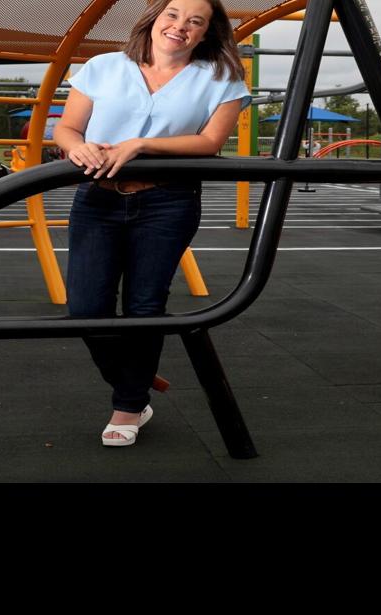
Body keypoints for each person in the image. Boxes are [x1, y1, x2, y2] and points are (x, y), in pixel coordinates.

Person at [52, 0, 248, 447]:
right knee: (85, 309)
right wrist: (74, 147)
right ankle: (136, 381)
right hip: (98, 201)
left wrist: (142, 144)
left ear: (206, 34)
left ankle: (128, 405)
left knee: (144, 306)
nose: (181, 26)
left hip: (167, 202)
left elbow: (210, 142)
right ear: (155, 18)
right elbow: (67, 130)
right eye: (174, 14)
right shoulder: (103, 66)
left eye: (195, 21)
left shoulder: (222, 80)